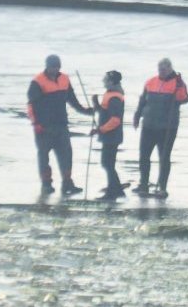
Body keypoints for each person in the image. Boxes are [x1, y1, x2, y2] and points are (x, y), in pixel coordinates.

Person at [27, 54, 92, 196]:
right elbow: (31, 106)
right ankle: (46, 184)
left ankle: (67, 184)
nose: (55, 70)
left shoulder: (64, 79)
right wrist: (36, 123)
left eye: (57, 67)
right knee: (44, 156)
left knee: (66, 155)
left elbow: (72, 99)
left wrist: (85, 111)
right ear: (47, 66)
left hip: (61, 125)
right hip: (43, 127)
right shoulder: (37, 82)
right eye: (52, 67)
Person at [132, 57, 188, 198]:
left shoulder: (177, 83)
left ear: (170, 68)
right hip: (149, 125)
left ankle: (162, 187)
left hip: (167, 127)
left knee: (164, 157)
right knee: (144, 156)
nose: (161, 72)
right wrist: (137, 116)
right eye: (159, 69)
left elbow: (183, 99)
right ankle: (143, 185)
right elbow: (142, 100)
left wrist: (180, 85)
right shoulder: (151, 82)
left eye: (163, 69)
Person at [88, 70, 127, 200]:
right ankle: (116, 190)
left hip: (112, 136)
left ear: (111, 81)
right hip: (110, 135)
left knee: (107, 163)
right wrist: (96, 104)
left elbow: (115, 120)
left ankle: (113, 191)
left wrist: (100, 130)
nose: (103, 81)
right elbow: (105, 112)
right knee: (108, 163)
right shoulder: (111, 93)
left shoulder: (114, 97)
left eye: (105, 79)